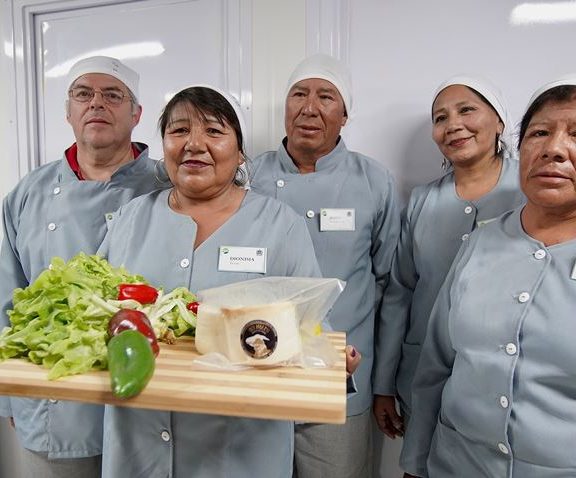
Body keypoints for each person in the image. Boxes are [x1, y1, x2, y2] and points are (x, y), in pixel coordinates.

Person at [98, 85, 327, 478]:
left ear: (239, 152)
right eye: (179, 130)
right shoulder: (129, 220)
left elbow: (312, 329)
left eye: (214, 132)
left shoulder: (280, 225)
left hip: (242, 452)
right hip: (138, 444)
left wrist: (334, 363)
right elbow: (96, 315)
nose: (194, 144)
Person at [400, 75, 576, 477]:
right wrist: (414, 463)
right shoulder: (482, 241)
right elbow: (435, 367)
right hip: (456, 463)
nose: (554, 149)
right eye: (540, 133)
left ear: (498, 124)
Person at [0, 56, 165, 477]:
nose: (96, 104)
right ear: (69, 111)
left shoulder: (169, 186)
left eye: (113, 95)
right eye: (83, 94)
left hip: (149, 396)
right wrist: (9, 394)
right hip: (55, 398)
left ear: (136, 114)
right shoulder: (28, 194)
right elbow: (6, 299)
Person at [251, 54, 401, 478]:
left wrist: (383, 381)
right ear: (284, 108)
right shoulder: (248, 176)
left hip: (340, 375)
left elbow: (392, 288)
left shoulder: (374, 180)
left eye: (326, 96)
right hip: (257, 369)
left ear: (345, 113)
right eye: (298, 94)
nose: (309, 107)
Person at [372, 76, 525, 443]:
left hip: (506, 382)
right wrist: (383, 384)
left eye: (467, 110)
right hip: (423, 374)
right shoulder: (423, 202)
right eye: (440, 118)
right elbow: (399, 295)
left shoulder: (530, 190)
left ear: (500, 122)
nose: (452, 124)